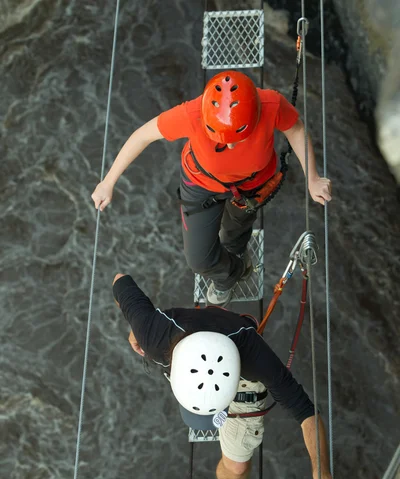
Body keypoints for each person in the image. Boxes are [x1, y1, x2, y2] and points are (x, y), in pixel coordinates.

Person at [112, 272, 344, 479]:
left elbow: (305, 410)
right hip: (179, 345)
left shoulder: (256, 358)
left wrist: (320, 472)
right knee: (208, 431)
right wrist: (135, 329)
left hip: (243, 377)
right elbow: (120, 280)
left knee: (236, 468)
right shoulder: (152, 333)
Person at [92, 71, 332, 307]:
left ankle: (237, 258)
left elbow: (296, 129)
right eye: (221, 139)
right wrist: (108, 181)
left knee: (234, 234)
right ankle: (230, 274)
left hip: (251, 185)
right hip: (200, 184)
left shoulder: (271, 104)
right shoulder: (191, 113)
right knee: (199, 259)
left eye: (237, 138)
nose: (229, 145)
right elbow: (142, 136)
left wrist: (312, 178)